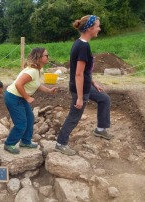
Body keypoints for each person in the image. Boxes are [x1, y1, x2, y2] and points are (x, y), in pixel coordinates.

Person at [55, 15, 114, 156]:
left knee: (104, 99)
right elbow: (78, 74)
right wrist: (80, 98)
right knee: (74, 117)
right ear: (90, 28)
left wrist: (94, 83)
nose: (99, 29)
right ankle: (61, 143)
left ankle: (100, 129)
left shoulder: (81, 43)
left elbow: (84, 71)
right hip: (80, 89)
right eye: (98, 26)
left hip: (87, 86)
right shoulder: (82, 47)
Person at [4, 47, 58, 154]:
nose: (48, 57)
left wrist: (49, 91)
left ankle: (25, 141)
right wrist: (27, 97)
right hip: (13, 97)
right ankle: (9, 144)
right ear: (39, 58)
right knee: (21, 123)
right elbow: (18, 84)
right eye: (46, 55)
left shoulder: (38, 70)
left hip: (20, 97)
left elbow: (37, 84)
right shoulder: (32, 71)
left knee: (30, 118)